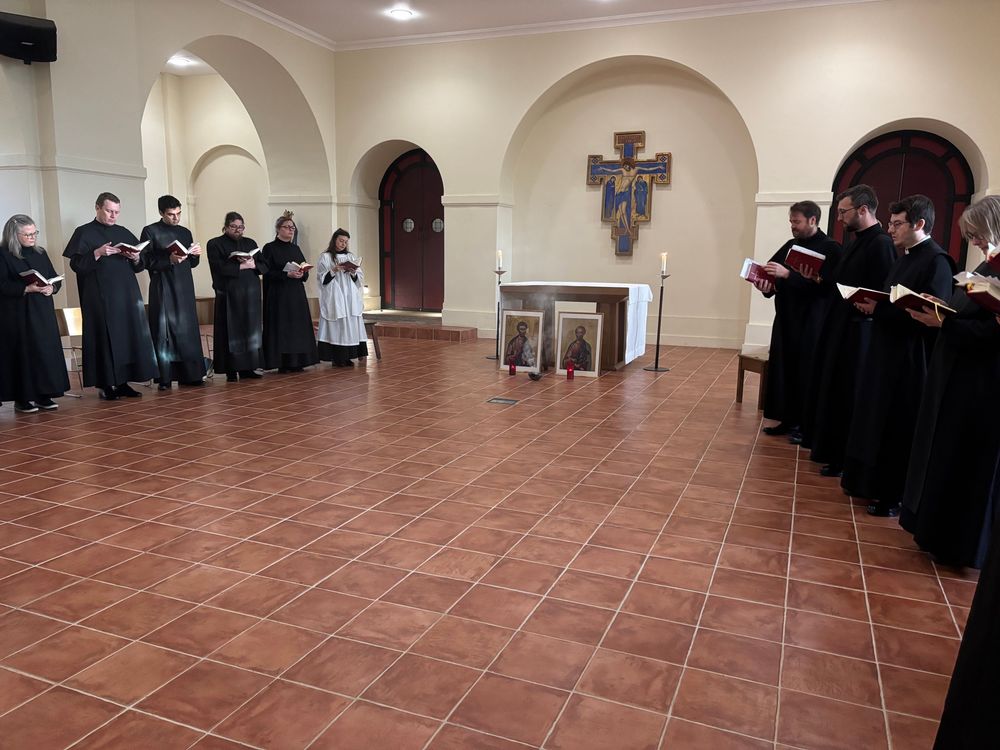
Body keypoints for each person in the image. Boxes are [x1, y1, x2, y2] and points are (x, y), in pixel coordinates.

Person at [900, 196, 1000, 565]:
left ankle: (959, 544)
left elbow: (990, 332)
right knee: (946, 453)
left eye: (977, 234)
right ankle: (934, 532)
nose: (974, 241)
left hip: (982, 384)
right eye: (970, 235)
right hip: (957, 376)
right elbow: (973, 315)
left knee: (968, 462)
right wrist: (942, 307)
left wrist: (944, 322)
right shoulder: (989, 266)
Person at [841, 195, 955, 516]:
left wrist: (882, 309)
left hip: (908, 358)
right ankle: (865, 482)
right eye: (890, 223)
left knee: (897, 424)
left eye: (897, 224)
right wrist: (875, 306)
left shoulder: (938, 261)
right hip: (884, 349)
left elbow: (932, 316)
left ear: (919, 224)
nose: (890, 229)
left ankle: (891, 495)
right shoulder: (904, 257)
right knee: (874, 417)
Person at [807, 185, 896, 476]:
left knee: (849, 392)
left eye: (843, 212)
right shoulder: (857, 240)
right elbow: (842, 281)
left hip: (860, 331)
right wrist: (820, 278)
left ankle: (844, 457)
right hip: (842, 326)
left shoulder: (881, 243)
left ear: (863, 210)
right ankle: (830, 449)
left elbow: (883, 289)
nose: (840, 218)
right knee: (834, 387)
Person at [753, 201, 842, 441]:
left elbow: (828, 288)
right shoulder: (791, 245)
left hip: (812, 320)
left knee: (806, 371)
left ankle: (806, 425)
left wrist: (788, 275)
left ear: (813, 220)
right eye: (791, 221)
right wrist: (766, 284)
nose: (792, 226)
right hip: (786, 319)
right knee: (784, 369)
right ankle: (787, 419)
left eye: (797, 221)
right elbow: (773, 274)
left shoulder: (831, 248)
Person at [62, 192, 158, 400]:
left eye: (116, 212)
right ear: (97, 208)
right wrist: (96, 253)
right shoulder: (84, 232)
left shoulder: (123, 232)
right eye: (109, 211)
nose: (113, 216)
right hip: (99, 297)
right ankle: (105, 384)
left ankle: (123, 383)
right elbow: (76, 265)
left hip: (126, 295)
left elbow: (140, 266)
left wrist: (135, 257)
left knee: (127, 337)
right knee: (104, 338)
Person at [0, 215, 70, 412]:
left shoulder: (40, 253)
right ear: (14, 235)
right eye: (28, 234)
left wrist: (52, 288)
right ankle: (22, 398)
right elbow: (2, 285)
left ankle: (43, 394)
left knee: (44, 351)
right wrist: (26, 288)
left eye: (35, 233)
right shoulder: (3, 254)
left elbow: (54, 277)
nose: (33, 237)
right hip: (17, 313)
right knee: (24, 354)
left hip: (42, 311)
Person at [140, 195, 206, 390]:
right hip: (163, 286)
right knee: (164, 331)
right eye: (171, 215)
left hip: (184, 285)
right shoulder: (150, 231)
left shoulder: (185, 232)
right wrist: (168, 260)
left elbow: (192, 263)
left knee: (188, 330)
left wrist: (195, 254)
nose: (176, 218)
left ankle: (191, 375)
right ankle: (165, 377)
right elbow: (144, 261)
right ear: (161, 213)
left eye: (178, 213)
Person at [206, 212, 266, 382]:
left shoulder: (250, 243)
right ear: (225, 227)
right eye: (233, 227)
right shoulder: (215, 243)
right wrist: (240, 266)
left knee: (250, 331)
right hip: (229, 295)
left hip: (250, 295)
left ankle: (248, 368)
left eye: (240, 227)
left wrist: (253, 264)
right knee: (230, 331)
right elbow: (217, 268)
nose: (237, 230)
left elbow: (263, 265)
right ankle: (231, 369)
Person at [260, 211, 319, 372]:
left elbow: (303, 267)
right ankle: (283, 362)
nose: (291, 230)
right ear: (278, 229)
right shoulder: (269, 248)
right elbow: (266, 271)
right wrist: (286, 274)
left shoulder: (296, 248)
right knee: (282, 328)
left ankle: (299, 361)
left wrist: (302, 272)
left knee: (297, 327)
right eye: (287, 227)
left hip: (296, 294)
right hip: (279, 294)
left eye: (292, 227)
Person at [316, 228, 368, 367]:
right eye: (341, 241)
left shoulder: (350, 256)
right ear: (334, 240)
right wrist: (334, 270)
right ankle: (336, 357)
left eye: (345, 242)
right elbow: (322, 279)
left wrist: (352, 272)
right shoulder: (325, 257)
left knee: (350, 325)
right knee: (337, 325)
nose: (343, 244)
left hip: (349, 297)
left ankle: (348, 356)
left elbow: (359, 279)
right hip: (335, 297)